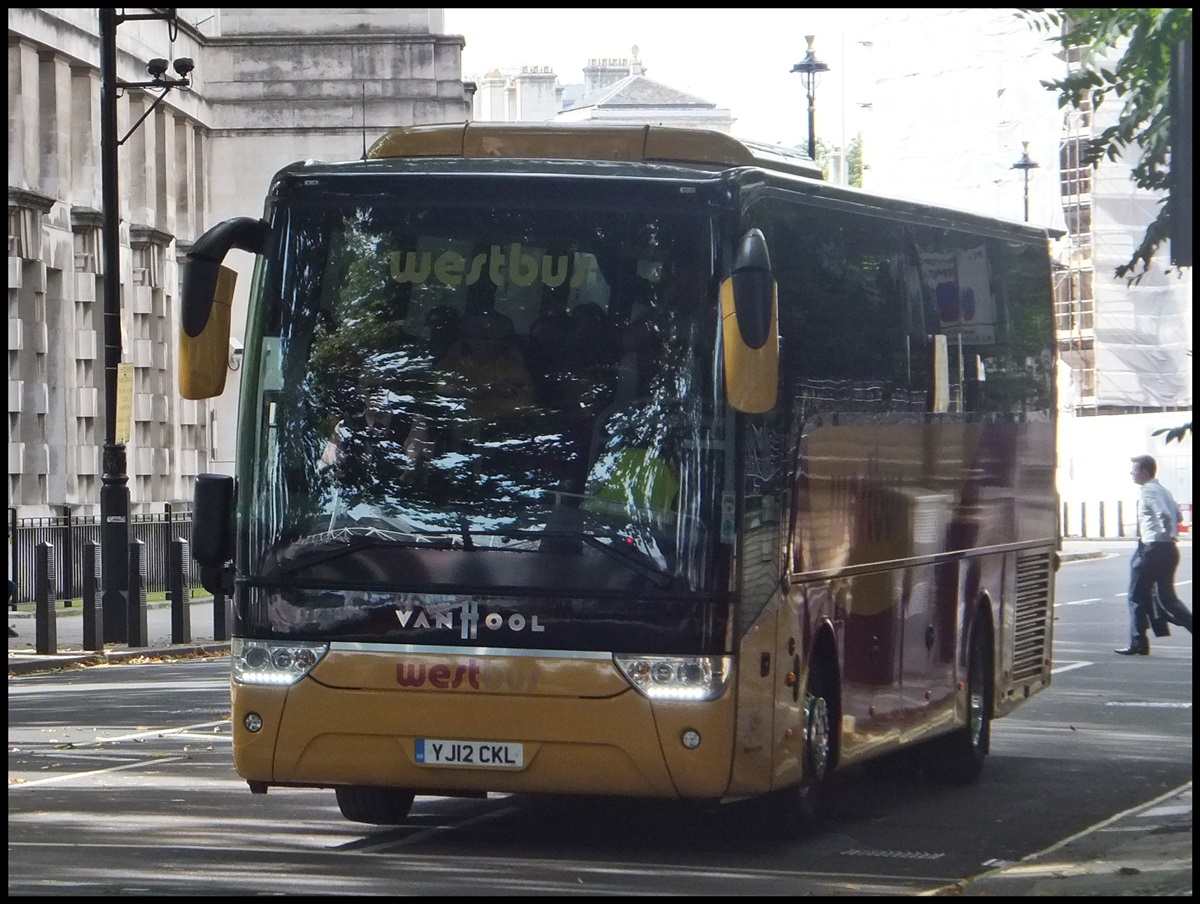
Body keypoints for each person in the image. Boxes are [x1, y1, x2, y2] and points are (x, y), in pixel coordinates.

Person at [1115, 454, 1192, 656]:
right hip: (1168, 549)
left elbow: (1164, 514)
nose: (1131, 473)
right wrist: (1170, 534)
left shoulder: (1148, 490)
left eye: (1134, 470)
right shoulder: (1164, 490)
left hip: (1153, 548)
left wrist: (1165, 533)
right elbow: (1178, 515)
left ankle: (1138, 642)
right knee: (1168, 598)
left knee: (1136, 595)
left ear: (1144, 472)